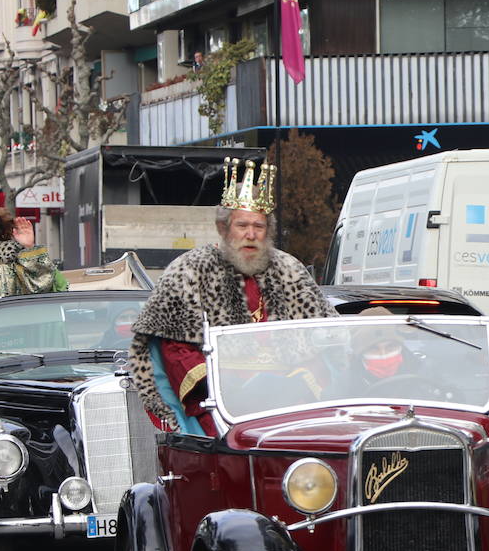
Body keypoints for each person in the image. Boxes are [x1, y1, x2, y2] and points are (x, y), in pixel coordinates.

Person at [128, 156, 336, 434]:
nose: (250, 234)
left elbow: (325, 337)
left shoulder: (291, 271)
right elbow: (175, 349)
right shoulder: (190, 271)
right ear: (223, 229)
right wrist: (227, 389)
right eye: (242, 225)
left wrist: (299, 382)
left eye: (258, 226)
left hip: (289, 401)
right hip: (218, 402)